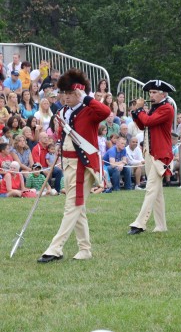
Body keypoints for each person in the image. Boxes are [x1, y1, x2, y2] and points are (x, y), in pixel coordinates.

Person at [37, 68, 111, 263]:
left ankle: (55, 248)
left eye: (71, 93)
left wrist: (86, 98)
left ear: (79, 92)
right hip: (67, 162)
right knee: (78, 209)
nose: (67, 97)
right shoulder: (62, 112)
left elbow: (106, 111)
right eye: (65, 93)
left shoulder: (89, 109)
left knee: (72, 206)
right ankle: (85, 249)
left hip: (83, 164)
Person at [128, 79, 175, 235]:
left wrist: (140, 110)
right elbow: (142, 125)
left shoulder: (167, 108)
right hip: (150, 152)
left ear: (163, 94)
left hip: (160, 154)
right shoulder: (155, 108)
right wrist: (136, 112)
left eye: (154, 92)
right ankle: (161, 225)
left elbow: (148, 121)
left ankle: (140, 223)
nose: (151, 95)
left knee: (151, 188)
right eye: (150, 93)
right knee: (157, 191)